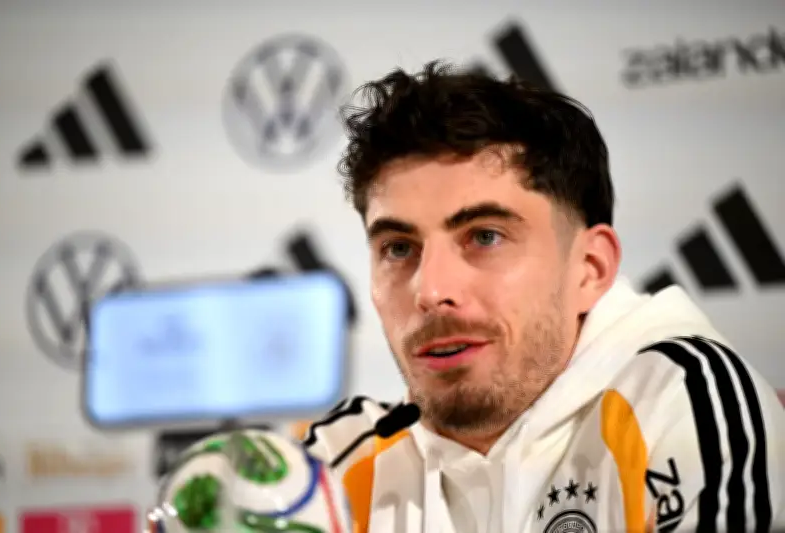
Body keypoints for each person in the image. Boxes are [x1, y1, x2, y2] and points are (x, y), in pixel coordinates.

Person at [302, 61, 785, 533]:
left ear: (590, 269)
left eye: (485, 236)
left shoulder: (682, 397)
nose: (431, 291)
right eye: (398, 248)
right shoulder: (338, 462)